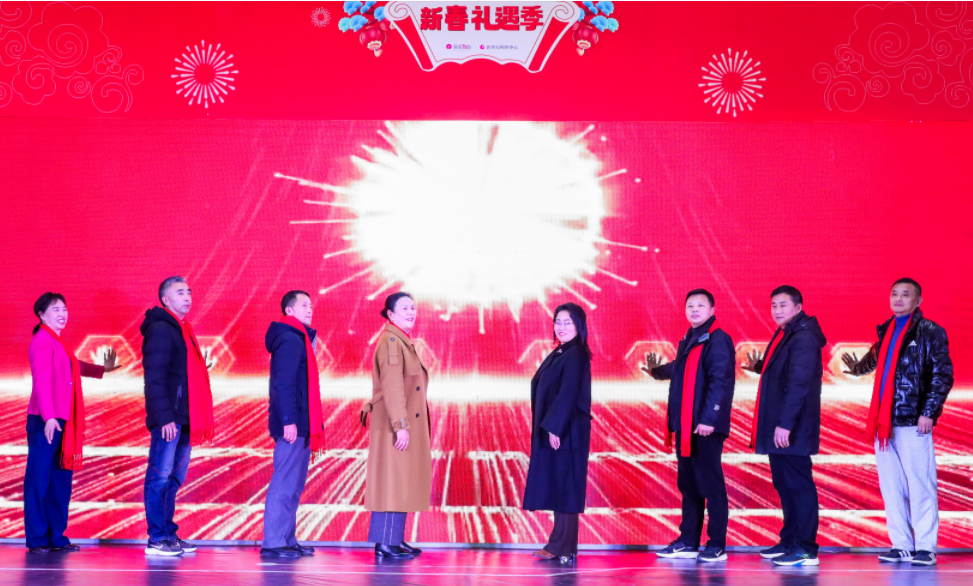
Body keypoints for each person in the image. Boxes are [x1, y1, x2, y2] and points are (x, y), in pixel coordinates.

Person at [841, 278, 953, 566]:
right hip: (884, 423)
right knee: (892, 488)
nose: (898, 299)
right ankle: (901, 545)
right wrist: (857, 368)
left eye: (905, 294)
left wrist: (929, 411)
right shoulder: (888, 331)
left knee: (921, 485)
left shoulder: (930, 331)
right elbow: (874, 361)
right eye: (894, 294)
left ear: (918, 301)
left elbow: (943, 374)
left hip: (914, 421)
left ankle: (925, 548)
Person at [25, 293, 120, 553]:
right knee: (39, 480)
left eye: (64, 309)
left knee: (60, 481)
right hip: (45, 420)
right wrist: (48, 417)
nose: (62, 314)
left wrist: (102, 370)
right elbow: (41, 381)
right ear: (41, 314)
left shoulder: (57, 342)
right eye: (55, 309)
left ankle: (56, 537)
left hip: (61, 418)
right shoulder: (42, 340)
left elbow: (73, 366)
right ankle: (37, 539)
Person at [645, 289, 735, 563]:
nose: (694, 310)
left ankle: (716, 544)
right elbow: (680, 368)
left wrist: (709, 419)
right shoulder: (690, 339)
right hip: (685, 426)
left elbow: (720, 382)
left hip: (704, 426)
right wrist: (657, 372)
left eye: (700, 305)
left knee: (710, 485)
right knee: (689, 485)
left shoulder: (717, 339)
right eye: (690, 306)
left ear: (712, 310)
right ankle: (688, 541)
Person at [743, 285, 825, 566]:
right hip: (781, 426)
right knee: (785, 484)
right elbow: (784, 372)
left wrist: (786, 424)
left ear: (798, 308)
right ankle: (790, 540)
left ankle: (805, 548)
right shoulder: (787, 333)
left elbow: (799, 383)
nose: (777, 310)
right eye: (774, 305)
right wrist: (761, 367)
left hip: (793, 428)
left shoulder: (803, 337)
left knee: (798, 485)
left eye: (783, 305)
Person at [140, 276, 214, 556]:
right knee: (159, 479)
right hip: (169, 419)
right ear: (165, 300)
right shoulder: (161, 328)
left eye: (189, 292)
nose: (187, 297)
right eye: (180, 293)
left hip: (185, 416)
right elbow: (155, 377)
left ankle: (168, 534)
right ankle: (157, 538)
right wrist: (164, 418)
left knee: (173, 480)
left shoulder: (183, 329)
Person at [359, 293, 430, 559]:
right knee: (392, 482)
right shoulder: (392, 341)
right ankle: (386, 542)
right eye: (404, 308)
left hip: (401, 422)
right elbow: (392, 387)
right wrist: (400, 424)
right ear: (390, 314)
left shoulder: (401, 340)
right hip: (395, 423)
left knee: (402, 480)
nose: (411, 312)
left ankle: (395, 538)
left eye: (413, 307)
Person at [523, 302, 593, 564]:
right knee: (561, 486)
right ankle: (562, 546)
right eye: (558, 322)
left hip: (566, 430)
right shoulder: (562, 351)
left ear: (579, 326)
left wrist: (555, 426)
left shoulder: (575, 354)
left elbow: (568, 393)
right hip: (560, 427)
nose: (561, 327)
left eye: (568, 322)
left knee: (565, 488)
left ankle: (562, 547)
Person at [260, 290, 324, 559]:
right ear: (289, 310)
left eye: (310, 305)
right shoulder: (289, 338)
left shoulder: (299, 338)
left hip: (301, 422)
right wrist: (288, 421)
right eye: (303, 305)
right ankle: (274, 542)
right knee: (284, 483)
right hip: (293, 423)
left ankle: (286, 539)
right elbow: (283, 383)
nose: (309, 309)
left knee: (293, 486)